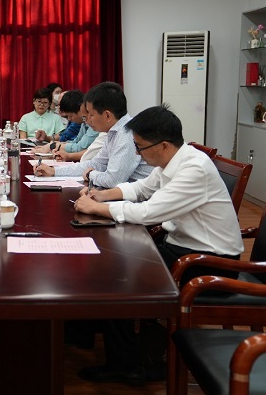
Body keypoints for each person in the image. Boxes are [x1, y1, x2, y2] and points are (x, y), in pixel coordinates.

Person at [73, 104, 244, 386]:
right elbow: (142, 188)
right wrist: (102, 196)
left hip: (210, 264)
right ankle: (88, 330)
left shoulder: (194, 168)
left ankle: (126, 365)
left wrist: (97, 209)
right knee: (112, 263)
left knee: (117, 278)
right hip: (183, 249)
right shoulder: (173, 159)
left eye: (140, 148)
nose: (137, 154)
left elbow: (150, 211)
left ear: (163, 145)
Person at [35, 82, 153, 188]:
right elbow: (95, 164)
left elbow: (113, 180)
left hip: (143, 200)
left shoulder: (127, 134)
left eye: (91, 115)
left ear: (107, 115)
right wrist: (54, 171)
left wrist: (90, 174)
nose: (88, 120)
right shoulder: (113, 132)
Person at [34, 90, 99, 161]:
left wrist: (54, 145)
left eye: (70, 116)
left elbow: (79, 147)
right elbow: (76, 141)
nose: (69, 119)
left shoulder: (94, 123)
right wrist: (55, 145)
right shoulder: (83, 123)